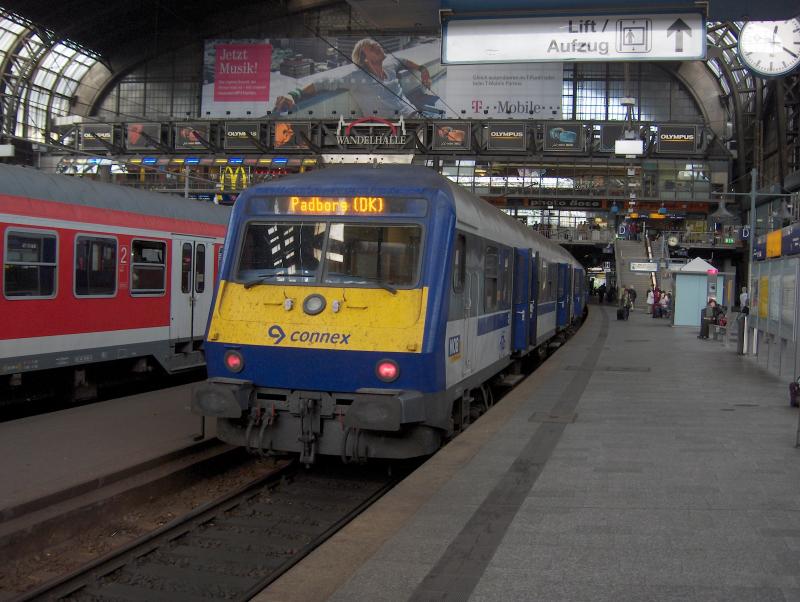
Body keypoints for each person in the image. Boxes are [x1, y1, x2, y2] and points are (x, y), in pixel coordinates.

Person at [273, 38, 435, 117]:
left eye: (376, 44)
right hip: (397, 129)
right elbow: (321, 83)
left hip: (418, 115)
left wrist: (423, 69)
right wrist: (293, 95)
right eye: (372, 47)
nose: (378, 46)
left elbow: (404, 61)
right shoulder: (356, 78)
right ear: (365, 59)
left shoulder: (390, 65)